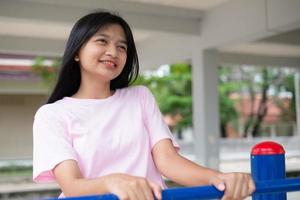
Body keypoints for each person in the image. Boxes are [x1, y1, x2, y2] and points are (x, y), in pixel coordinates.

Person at [33, 10, 255, 200]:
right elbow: (72, 186)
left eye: (122, 47)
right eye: (102, 41)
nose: (113, 52)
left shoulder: (140, 97)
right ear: (77, 53)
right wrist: (114, 183)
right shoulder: (52, 114)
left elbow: (168, 161)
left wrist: (216, 177)